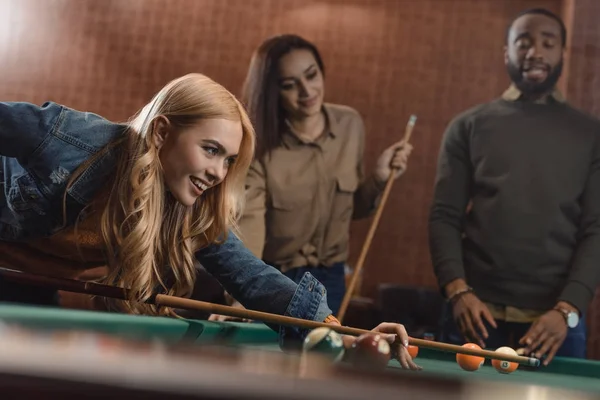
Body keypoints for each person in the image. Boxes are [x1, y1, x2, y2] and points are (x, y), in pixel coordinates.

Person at [0, 73, 419, 369]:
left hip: (22, 281)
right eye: (211, 150)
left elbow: (254, 278)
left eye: (229, 160)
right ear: (162, 133)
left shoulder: (192, 210)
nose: (220, 172)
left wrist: (339, 331)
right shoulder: (73, 138)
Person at [429, 8, 600, 365]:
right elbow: (445, 216)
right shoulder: (468, 126)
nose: (535, 51)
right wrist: (458, 292)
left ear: (563, 54)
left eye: (548, 43)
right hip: (473, 315)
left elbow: (596, 230)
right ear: (506, 53)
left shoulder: (591, 135)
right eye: (523, 43)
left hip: (555, 324)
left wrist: (568, 309)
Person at [236, 34, 413, 315]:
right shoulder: (260, 143)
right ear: (273, 91)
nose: (307, 91)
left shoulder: (350, 125)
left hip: (331, 279)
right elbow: (250, 226)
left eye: (311, 75)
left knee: (321, 358)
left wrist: (378, 178)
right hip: (277, 277)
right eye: (289, 85)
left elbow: (351, 210)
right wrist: (243, 293)